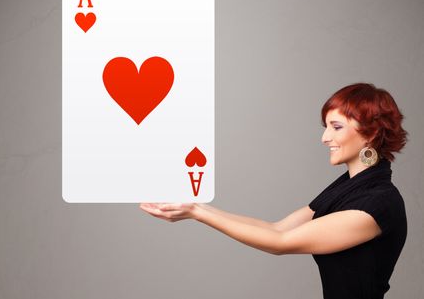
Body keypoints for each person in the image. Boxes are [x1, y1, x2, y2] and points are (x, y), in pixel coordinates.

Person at [140, 82, 408, 299]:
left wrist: (198, 212)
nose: (325, 137)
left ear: (371, 133)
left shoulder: (378, 202)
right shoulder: (348, 187)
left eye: (336, 127)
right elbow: (278, 228)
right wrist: (196, 207)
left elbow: (280, 243)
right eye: (325, 126)